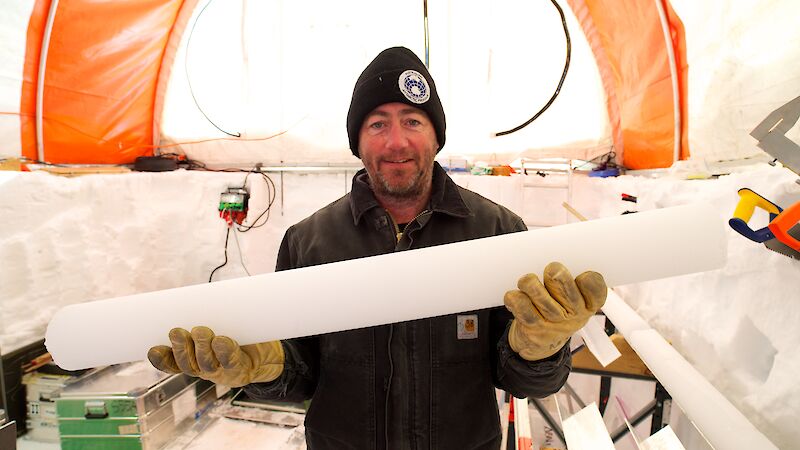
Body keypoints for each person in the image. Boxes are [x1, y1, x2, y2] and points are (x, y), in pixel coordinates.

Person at [148, 46, 607, 449]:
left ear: (435, 136)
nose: (397, 141)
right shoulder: (309, 241)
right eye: (377, 123)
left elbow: (525, 383)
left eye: (412, 121)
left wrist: (541, 348)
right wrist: (262, 370)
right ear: (357, 140)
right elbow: (299, 375)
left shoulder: (498, 231)